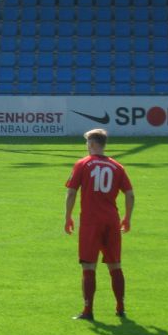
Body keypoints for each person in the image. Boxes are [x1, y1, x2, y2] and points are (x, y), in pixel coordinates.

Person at [65, 128, 134, 321]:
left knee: (88, 266)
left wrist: (67, 217)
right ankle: (120, 307)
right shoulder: (117, 167)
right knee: (115, 265)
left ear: (94, 144)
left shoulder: (83, 164)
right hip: (112, 221)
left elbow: (71, 193)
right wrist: (127, 218)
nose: (86, 146)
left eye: (87, 143)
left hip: (90, 223)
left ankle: (88, 311)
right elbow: (130, 194)